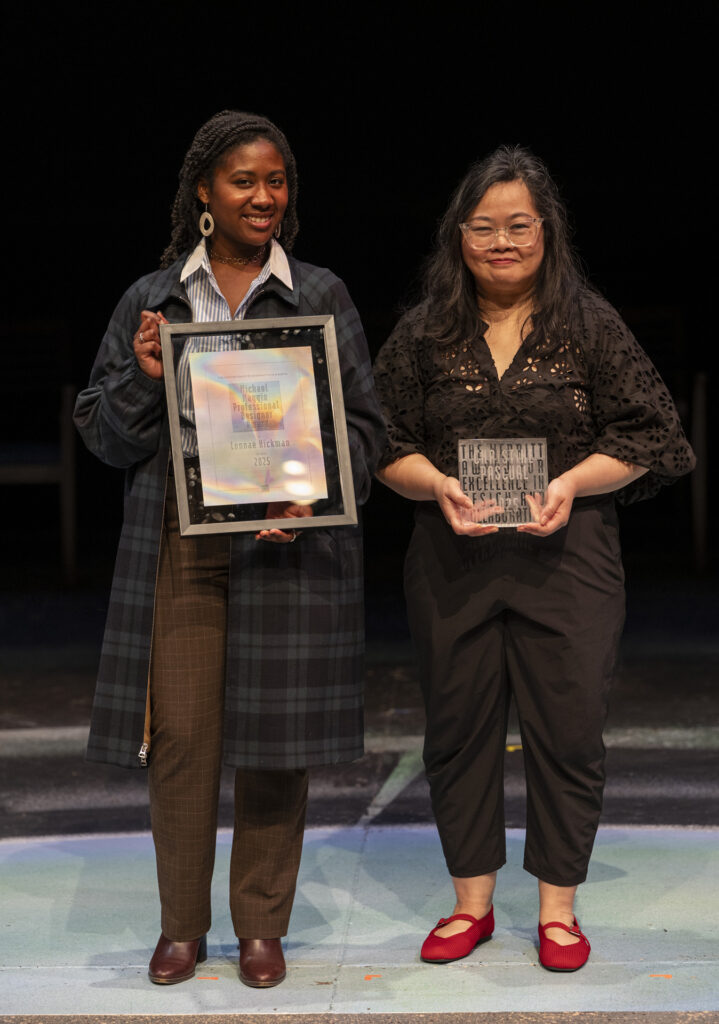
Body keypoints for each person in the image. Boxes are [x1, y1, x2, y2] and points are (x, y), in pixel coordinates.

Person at [74, 110, 385, 988]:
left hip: (286, 545)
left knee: (275, 742)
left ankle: (261, 927)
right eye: (244, 180)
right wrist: (142, 380)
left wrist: (312, 494)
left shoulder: (320, 293)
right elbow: (100, 433)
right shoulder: (153, 299)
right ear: (204, 191)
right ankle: (182, 926)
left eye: (275, 180)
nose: (262, 196)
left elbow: (366, 430)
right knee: (180, 739)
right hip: (183, 542)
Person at [373, 145, 694, 973]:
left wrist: (571, 482)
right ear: (457, 236)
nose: (502, 243)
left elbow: (651, 435)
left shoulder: (587, 324)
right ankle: (470, 904)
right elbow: (380, 443)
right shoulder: (424, 331)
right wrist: (436, 485)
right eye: (483, 227)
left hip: (568, 556)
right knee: (457, 731)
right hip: (452, 558)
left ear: (546, 231)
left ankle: (557, 912)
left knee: (569, 733)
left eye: (518, 225)